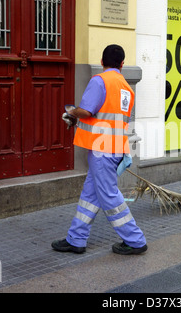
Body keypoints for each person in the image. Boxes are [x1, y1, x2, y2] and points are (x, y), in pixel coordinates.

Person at [51, 45, 148, 255]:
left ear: (102, 61)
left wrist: (71, 112)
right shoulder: (127, 89)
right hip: (114, 149)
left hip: (100, 150)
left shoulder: (99, 81)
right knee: (90, 195)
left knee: (109, 196)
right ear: (122, 64)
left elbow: (87, 111)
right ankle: (76, 239)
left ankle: (135, 240)